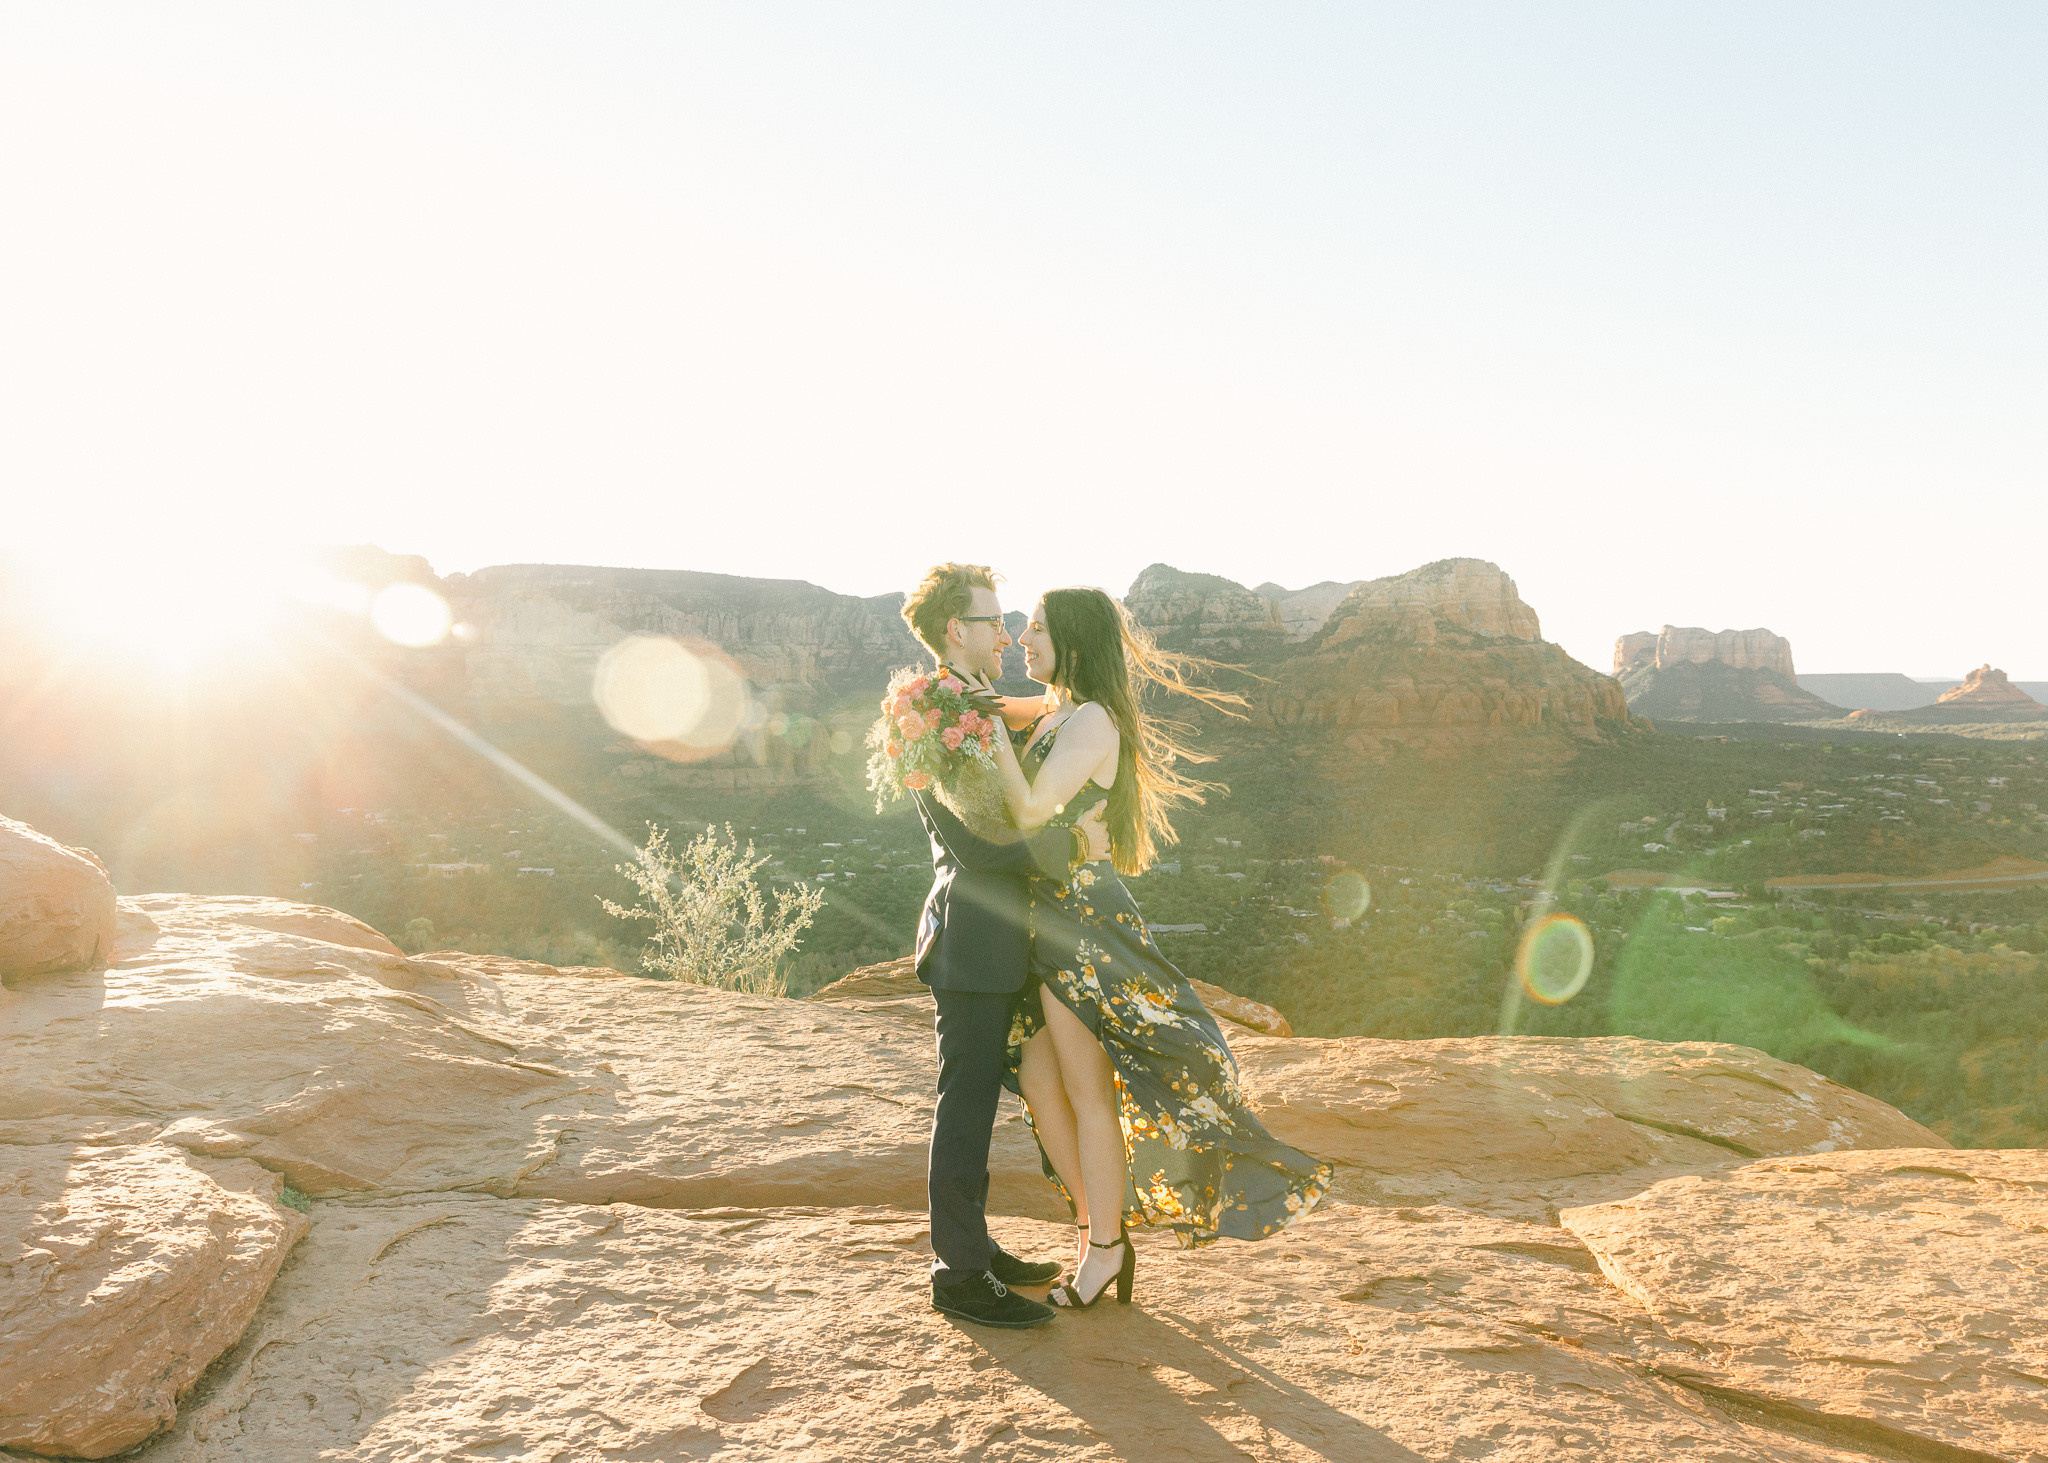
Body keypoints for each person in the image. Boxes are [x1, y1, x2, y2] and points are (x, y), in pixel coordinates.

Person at [968, 586, 1333, 1311]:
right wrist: (970, 705)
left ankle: (1106, 1247)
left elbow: (1033, 808)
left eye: (1037, 628)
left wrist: (986, 730)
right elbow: (1002, 708)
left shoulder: (1093, 719)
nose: (1022, 639)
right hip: (1041, 920)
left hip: (1079, 922)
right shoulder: (1057, 710)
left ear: (1073, 640)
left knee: (1086, 1092)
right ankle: (1093, 1228)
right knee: (1040, 1082)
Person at [899, 563, 1112, 1329]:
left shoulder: (967, 702)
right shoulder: (933, 711)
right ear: (958, 629)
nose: (1005, 632)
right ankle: (957, 1274)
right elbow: (976, 844)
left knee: (982, 1100)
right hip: (973, 937)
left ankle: (976, 1247)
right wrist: (1072, 848)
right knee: (964, 1106)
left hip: (1001, 939)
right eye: (994, 620)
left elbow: (1050, 713)